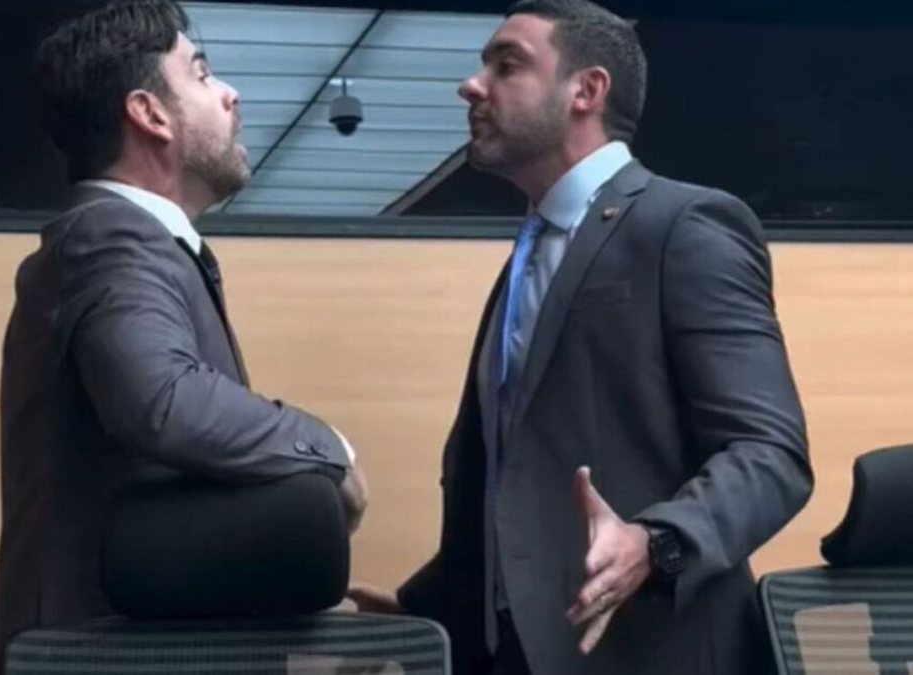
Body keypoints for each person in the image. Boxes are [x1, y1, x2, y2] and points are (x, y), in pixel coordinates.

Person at [348, 1, 813, 673]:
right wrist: (427, 603)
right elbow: (516, 471)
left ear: (587, 90)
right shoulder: (528, 256)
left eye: (507, 65)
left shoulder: (685, 226)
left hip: (652, 651)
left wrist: (656, 542)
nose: (472, 85)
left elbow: (771, 455)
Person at [0, 2, 367, 673]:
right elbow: (162, 399)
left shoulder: (131, 240)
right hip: (95, 659)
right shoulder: (111, 235)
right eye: (203, 74)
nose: (231, 94)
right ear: (150, 114)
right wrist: (330, 450)